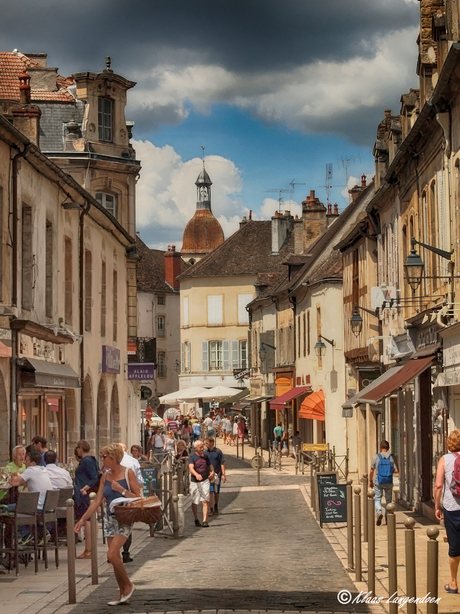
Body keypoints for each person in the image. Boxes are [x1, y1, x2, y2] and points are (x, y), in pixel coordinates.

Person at [75, 443, 140, 606]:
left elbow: (138, 497)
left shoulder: (128, 472)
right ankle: (122, 592)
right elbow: (96, 501)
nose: (102, 460)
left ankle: (129, 585)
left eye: (104, 457)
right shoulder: (105, 476)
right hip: (110, 518)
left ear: (114, 458)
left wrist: (121, 490)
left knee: (111, 555)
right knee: (114, 557)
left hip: (124, 517)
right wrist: (83, 519)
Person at [8, 448, 54, 544]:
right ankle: (42, 532)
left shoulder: (30, 470)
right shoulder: (43, 470)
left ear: (32, 463)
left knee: (8, 509)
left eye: (27, 460)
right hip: (47, 506)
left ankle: (26, 535)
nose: (24, 462)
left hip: (37, 507)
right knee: (21, 508)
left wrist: (9, 477)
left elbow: (14, 483)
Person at [435, 429, 460, 594]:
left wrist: (437, 506)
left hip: (452, 508)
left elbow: (438, 486)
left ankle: (453, 583)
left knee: (454, 546)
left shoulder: (444, 459)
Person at [74, 440, 100, 559]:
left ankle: (89, 549)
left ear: (81, 448)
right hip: (89, 494)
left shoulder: (86, 461)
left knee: (88, 520)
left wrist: (85, 488)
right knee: (90, 519)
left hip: (85, 494)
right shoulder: (91, 460)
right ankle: (90, 548)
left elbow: (94, 477)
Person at [369, 440, 398, 526]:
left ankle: (379, 512)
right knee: (388, 499)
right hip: (388, 480)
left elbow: (371, 470)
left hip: (379, 480)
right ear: (388, 448)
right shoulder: (392, 457)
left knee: (377, 498)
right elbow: (396, 470)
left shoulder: (375, 457)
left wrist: (370, 481)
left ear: (380, 447)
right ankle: (387, 517)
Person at [188, 440, 215, 528]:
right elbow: (191, 468)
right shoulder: (192, 457)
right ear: (196, 448)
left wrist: (212, 472)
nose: (202, 449)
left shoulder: (205, 457)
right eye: (200, 447)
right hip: (195, 481)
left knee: (205, 500)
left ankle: (205, 520)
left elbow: (210, 465)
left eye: (203, 447)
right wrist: (196, 474)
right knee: (195, 501)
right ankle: (196, 518)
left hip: (205, 480)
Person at [205, 437, 226, 516]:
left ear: (211, 443)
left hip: (218, 474)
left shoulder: (218, 452)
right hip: (209, 475)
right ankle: (211, 509)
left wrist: (223, 474)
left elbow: (222, 463)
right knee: (210, 491)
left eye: (207, 443)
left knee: (216, 492)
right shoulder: (205, 453)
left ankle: (216, 504)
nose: (205, 445)